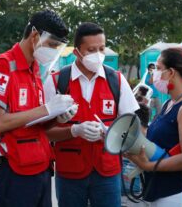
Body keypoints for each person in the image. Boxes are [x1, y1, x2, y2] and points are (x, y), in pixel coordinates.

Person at [0, 9, 74, 207]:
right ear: (35, 35)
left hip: (41, 165)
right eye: (52, 45)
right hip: (16, 169)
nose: (54, 50)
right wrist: (46, 109)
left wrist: (56, 117)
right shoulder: (4, 65)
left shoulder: (35, 69)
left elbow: (32, 122)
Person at [45, 22, 140, 207]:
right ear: (77, 52)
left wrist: (109, 132)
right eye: (91, 50)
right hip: (70, 172)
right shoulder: (57, 81)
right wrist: (73, 130)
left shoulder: (117, 80)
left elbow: (132, 128)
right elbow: (42, 131)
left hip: (107, 171)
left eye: (102, 49)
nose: (98, 55)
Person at [126, 47, 182, 206]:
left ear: (171, 73)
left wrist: (148, 165)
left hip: (176, 193)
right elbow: (156, 140)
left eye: (158, 68)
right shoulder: (170, 103)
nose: (154, 73)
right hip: (157, 190)